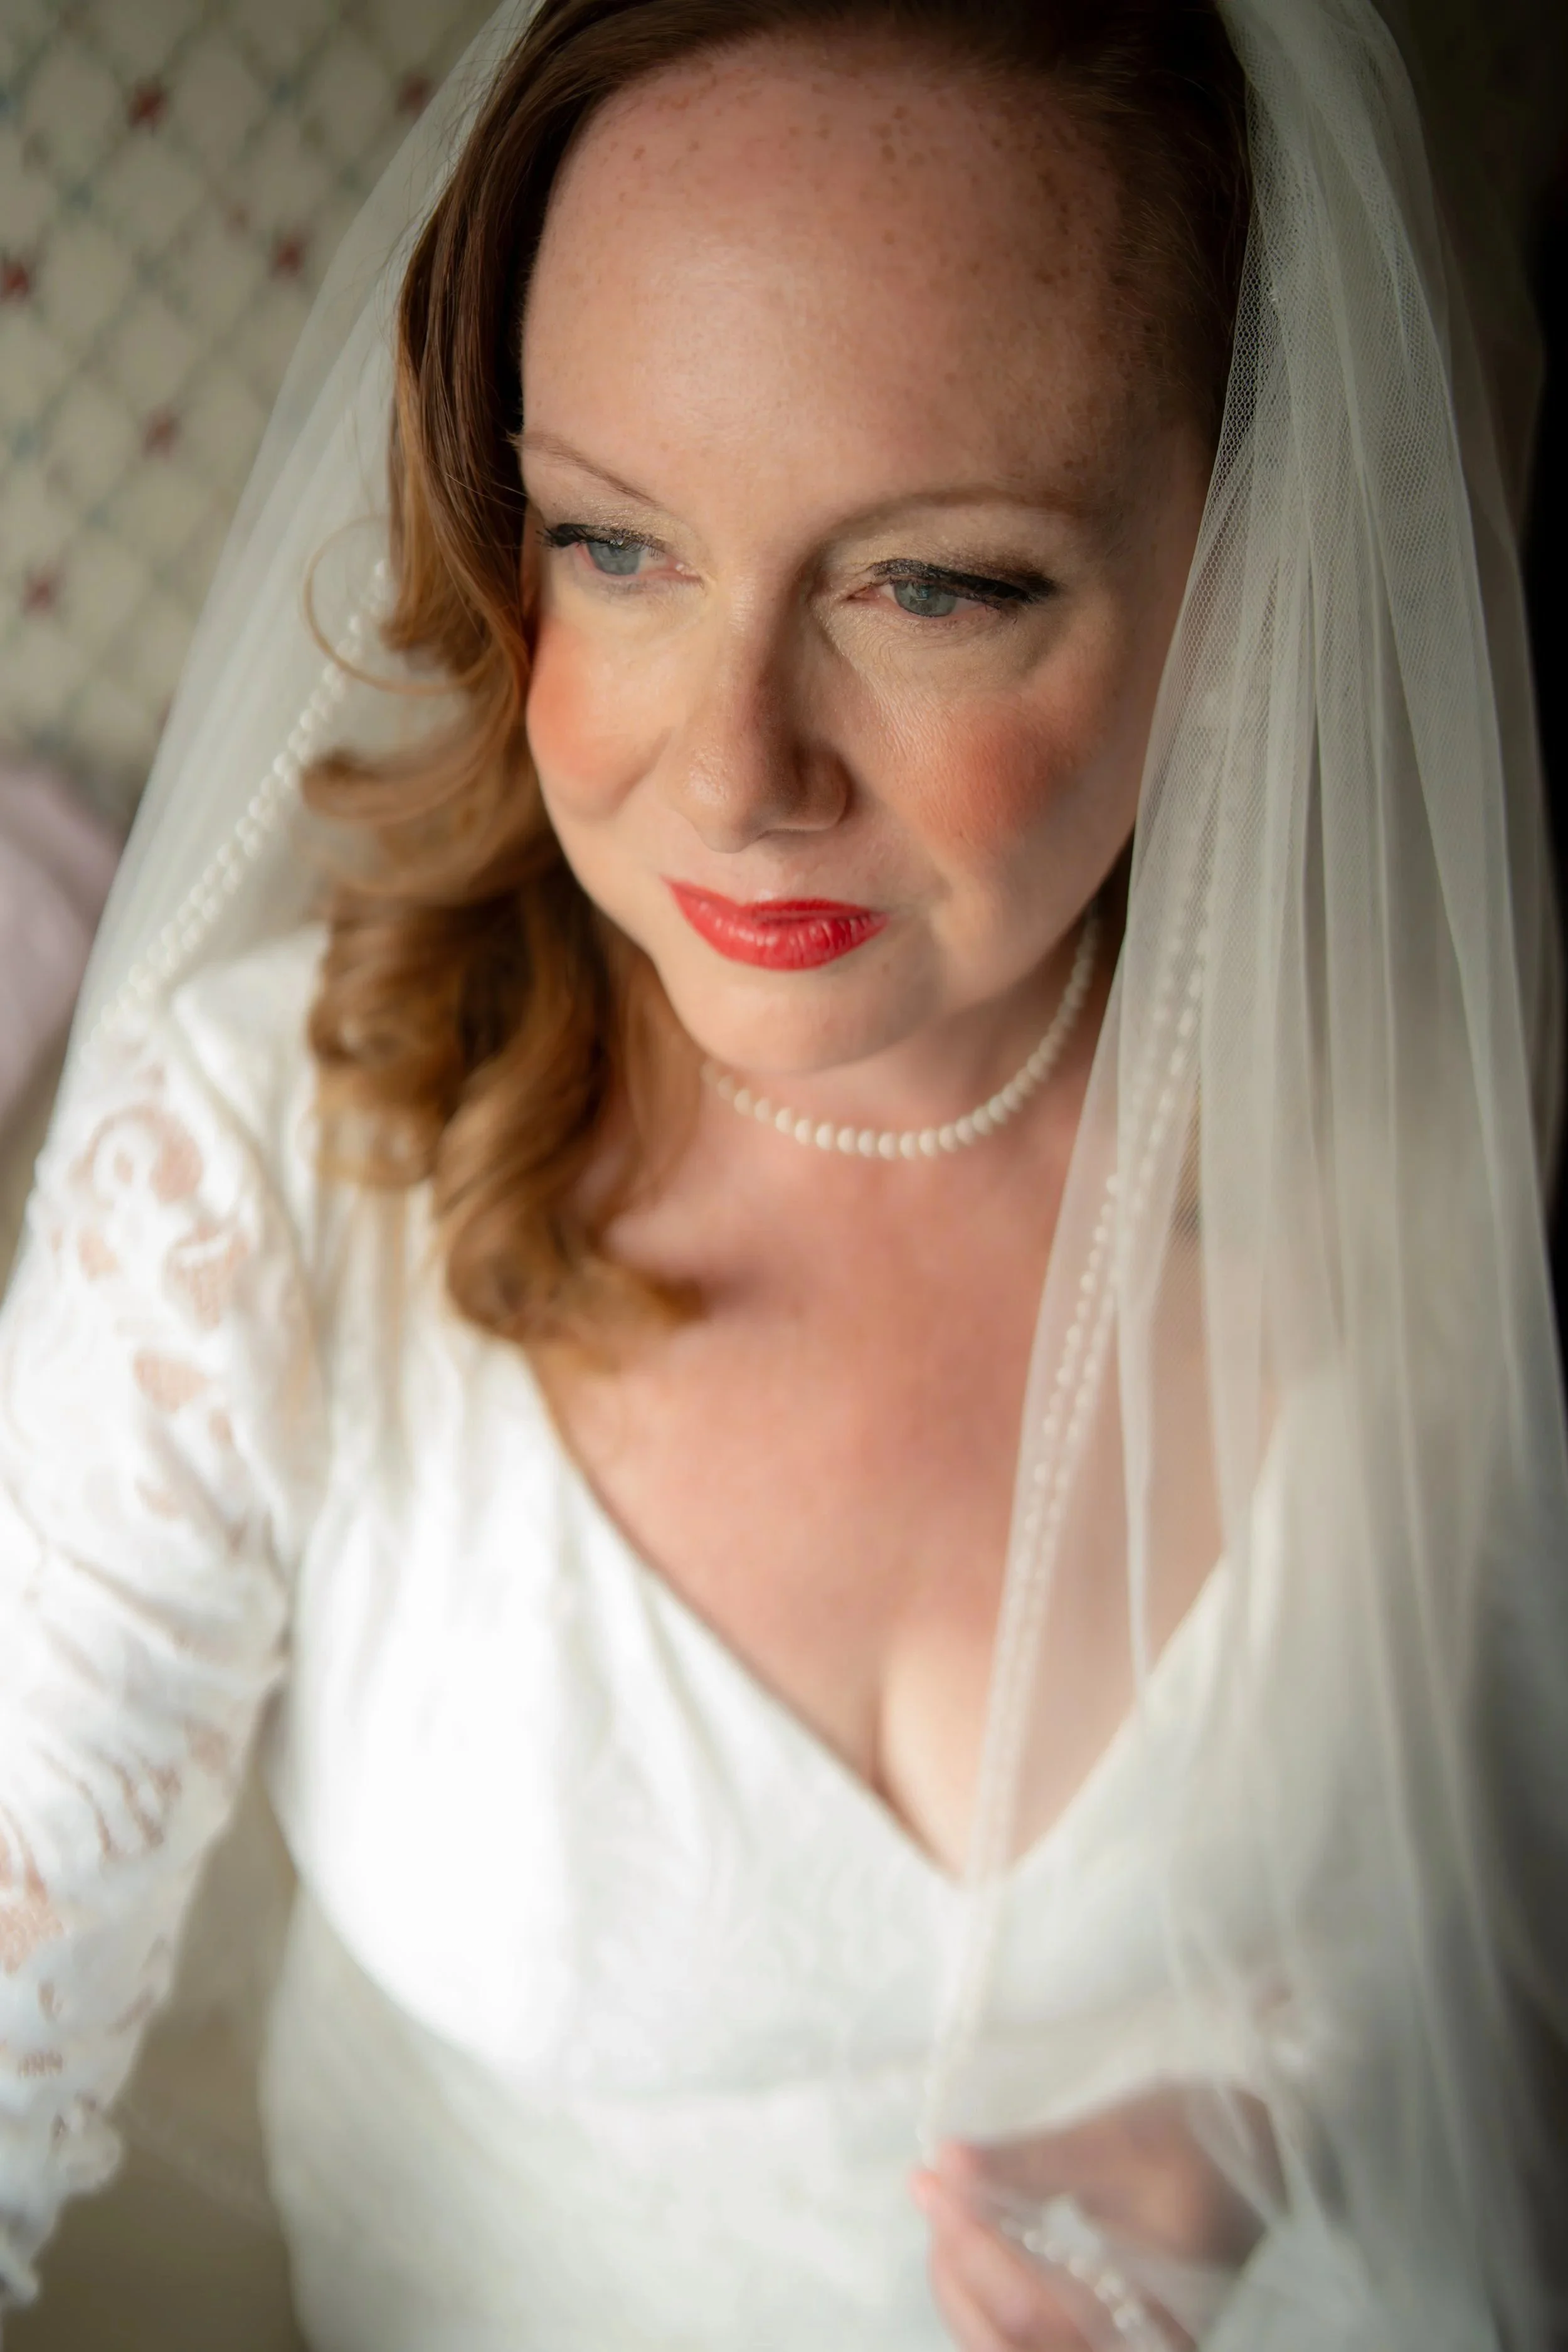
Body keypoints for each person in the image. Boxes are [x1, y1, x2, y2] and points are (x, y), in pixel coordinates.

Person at [2, 0, 1565, 2346]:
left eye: (933, 586)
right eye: (615, 542)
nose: (730, 772)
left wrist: (1242, 2124)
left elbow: (1444, 1861)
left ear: (1242, 562)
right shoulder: (252, 1178)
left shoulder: (1379, 1112)